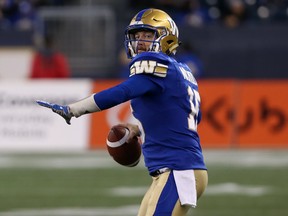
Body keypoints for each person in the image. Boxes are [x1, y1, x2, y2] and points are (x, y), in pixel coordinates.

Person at [36, 8, 208, 216]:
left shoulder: (157, 66)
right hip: (173, 170)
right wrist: (141, 128)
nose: (140, 41)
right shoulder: (181, 71)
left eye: (147, 35)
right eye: (137, 36)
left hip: (177, 169)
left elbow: (122, 92)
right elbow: (179, 117)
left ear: (167, 38)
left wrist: (73, 109)